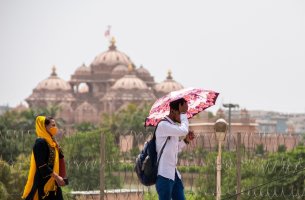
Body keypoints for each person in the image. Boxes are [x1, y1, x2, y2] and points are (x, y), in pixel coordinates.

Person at [155, 98, 195, 200]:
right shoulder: (163, 125)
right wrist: (184, 114)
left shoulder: (172, 127)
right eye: (180, 112)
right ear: (172, 111)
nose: (182, 116)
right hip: (164, 175)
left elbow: (174, 149)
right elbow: (184, 130)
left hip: (173, 174)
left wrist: (186, 140)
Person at [22, 116, 65, 200]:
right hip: (43, 183)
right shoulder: (40, 143)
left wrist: (57, 146)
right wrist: (57, 177)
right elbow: (41, 165)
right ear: (44, 127)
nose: (55, 128)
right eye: (52, 125)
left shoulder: (52, 142)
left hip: (53, 182)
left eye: (55, 125)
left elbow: (60, 158)